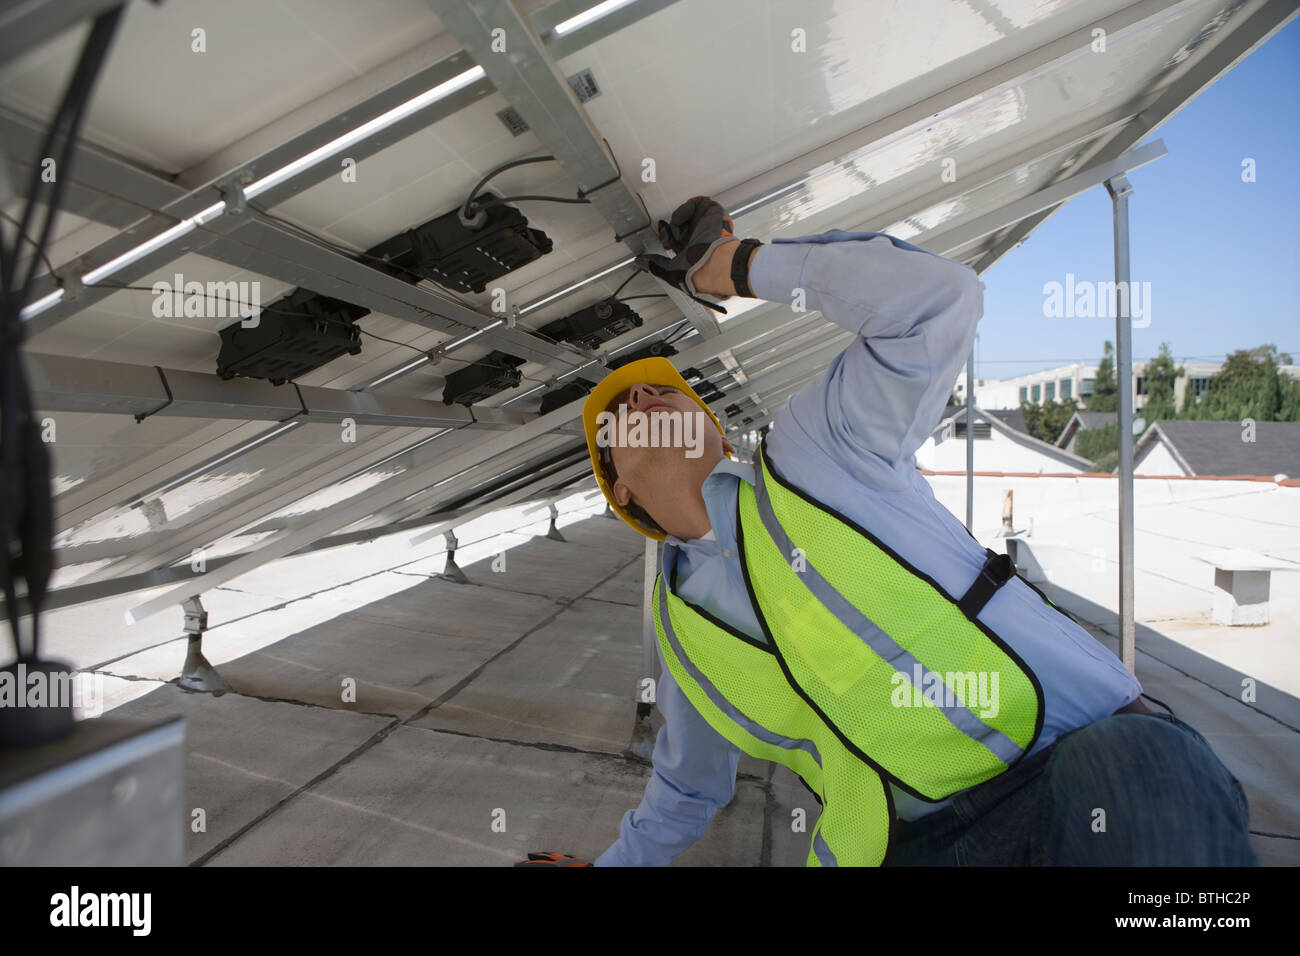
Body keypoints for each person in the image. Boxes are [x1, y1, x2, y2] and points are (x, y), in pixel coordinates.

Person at [514, 197, 1256, 867]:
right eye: (622, 409)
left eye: (665, 388)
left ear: (711, 429)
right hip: (911, 845)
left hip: (1080, 757)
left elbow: (939, 301)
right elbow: (684, 789)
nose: (645, 392)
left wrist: (733, 266)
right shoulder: (680, 636)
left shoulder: (816, 451)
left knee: (1134, 783)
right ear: (618, 486)